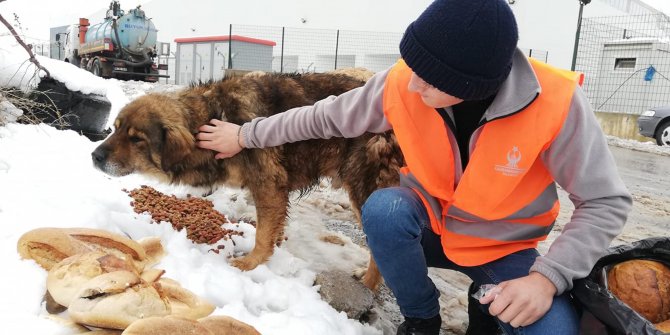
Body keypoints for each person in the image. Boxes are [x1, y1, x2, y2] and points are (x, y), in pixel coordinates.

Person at [195, 0, 632, 334]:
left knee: (554, 329)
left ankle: (489, 308)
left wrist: (546, 280)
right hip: (428, 227)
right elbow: (322, 116)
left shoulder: (556, 103)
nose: (412, 82)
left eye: (430, 77)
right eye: (413, 66)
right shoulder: (406, 80)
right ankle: (422, 318)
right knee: (384, 210)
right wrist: (245, 135)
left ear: (471, 85)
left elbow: (605, 201)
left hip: (504, 251)